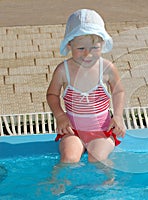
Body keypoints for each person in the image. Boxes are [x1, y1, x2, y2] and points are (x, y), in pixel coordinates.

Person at [46, 9, 126, 185]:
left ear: (102, 45)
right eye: (81, 48)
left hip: (102, 131)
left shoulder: (106, 68)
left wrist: (118, 116)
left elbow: (118, 91)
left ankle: (111, 182)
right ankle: (54, 181)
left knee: (96, 158)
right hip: (72, 130)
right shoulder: (63, 70)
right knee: (69, 158)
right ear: (69, 46)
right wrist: (60, 116)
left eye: (94, 48)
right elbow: (52, 94)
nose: (87, 54)